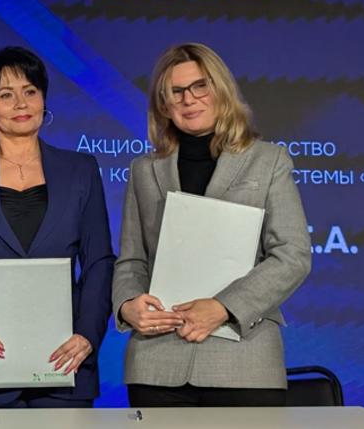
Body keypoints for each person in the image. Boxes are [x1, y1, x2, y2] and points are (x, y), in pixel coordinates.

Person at [112, 43, 311, 407]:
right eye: (176, 91)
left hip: (244, 361)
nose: (189, 99)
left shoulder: (268, 160)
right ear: (163, 105)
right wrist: (127, 305)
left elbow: (292, 255)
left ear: (221, 90)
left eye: (200, 86)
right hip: (157, 364)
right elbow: (131, 260)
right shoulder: (143, 170)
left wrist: (223, 307)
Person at [0, 46, 114, 408]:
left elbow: (99, 262)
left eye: (30, 91)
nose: (21, 103)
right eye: (5, 95)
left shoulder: (81, 170)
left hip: (66, 358)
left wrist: (88, 335)